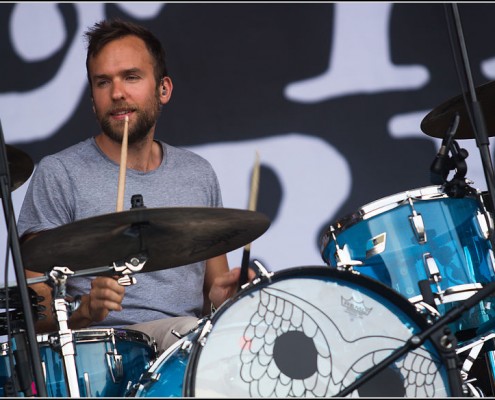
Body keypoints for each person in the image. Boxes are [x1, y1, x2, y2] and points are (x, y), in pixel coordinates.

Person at [17, 18, 255, 354]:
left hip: (180, 352)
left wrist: (221, 301)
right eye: (103, 82)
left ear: (163, 89)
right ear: (92, 99)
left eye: (131, 77)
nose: (117, 93)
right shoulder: (59, 173)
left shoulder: (197, 174)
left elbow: (213, 295)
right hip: (98, 353)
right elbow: (32, 307)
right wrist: (84, 310)